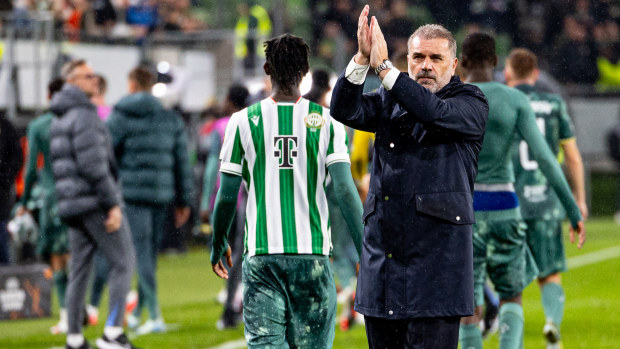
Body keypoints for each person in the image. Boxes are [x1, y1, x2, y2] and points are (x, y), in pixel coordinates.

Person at [330, 6, 489, 348]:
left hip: (437, 274)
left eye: (436, 58)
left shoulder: (470, 102)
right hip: (384, 268)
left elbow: (432, 111)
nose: (426, 65)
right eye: (418, 57)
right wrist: (361, 57)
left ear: (454, 65)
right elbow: (344, 109)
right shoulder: (391, 98)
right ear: (410, 61)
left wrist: (385, 69)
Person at [210, 33, 363, 348]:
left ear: (267, 69)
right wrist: (367, 253)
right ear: (305, 71)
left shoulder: (241, 122)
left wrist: (218, 241)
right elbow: (347, 194)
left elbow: (226, 195)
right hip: (313, 259)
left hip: (263, 257)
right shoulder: (328, 123)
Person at [458, 33, 585, 349]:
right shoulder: (515, 100)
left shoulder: (452, 98)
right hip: (505, 206)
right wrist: (572, 210)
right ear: (496, 63)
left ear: (460, 63)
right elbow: (546, 158)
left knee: (467, 298)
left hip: (464, 210)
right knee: (511, 292)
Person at [49, 59, 137, 349]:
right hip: (94, 202)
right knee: (123, 263)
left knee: (79, 272)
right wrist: (112, 203)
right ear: (73, 81)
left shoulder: (60, 115)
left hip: (72, 204)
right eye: (88, 76)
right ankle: (112, 332)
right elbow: (93, 165)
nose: (95, 79)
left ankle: (74, 338)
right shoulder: (84, 115)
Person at [505, 47, 589, 348]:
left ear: (509, 73)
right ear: (536, 74)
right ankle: (552, 326)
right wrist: (578, 200)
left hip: (511, 203)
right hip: (547, 202)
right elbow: (572, 157)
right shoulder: (554, 104)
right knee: (550, 271)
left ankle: (508, 335)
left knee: (510, 275)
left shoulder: (504, 102)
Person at [106, 66, 192, 335]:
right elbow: (182, 161)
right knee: (149, 256)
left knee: (141, 255)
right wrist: (184, 200)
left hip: (132, 195)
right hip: (162, 193)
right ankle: (141, 313)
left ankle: (153, 315)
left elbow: (107, 156)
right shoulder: (169, 117)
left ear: (132, 84)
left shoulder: (119, 116)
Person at [15, 78, 70, 334]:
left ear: (49, 96)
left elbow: (30, 170)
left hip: (52, 198)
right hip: (79, 195)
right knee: (78, 255)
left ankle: (67, 315)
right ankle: (83, 309)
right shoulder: (78, 121)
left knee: (57, 258)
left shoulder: (38, 126)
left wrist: (24, 201)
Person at [199, 84, 250, 330]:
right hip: (248, 197)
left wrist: (205, 202)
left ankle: (230, 305)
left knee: (224, 252)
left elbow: (211, 167)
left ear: (229, 100)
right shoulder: (252, 121)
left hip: (225, 195)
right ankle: (235, 303)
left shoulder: (220, 127)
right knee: (241, 254)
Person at [0, 110, 23, 265]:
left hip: (1, 194)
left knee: (1, 236)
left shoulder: (5, 126)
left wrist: (6, 179)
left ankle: (5, 277)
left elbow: (17, 156)